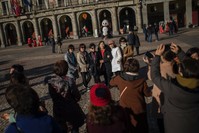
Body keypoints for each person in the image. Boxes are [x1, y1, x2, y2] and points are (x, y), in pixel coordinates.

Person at [151, 44, 199, 133]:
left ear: (181, 72)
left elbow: (155, 76)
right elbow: (191, 67)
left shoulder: (173, 88)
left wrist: (157, 56)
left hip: (174, 127)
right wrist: (180, 53)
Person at [110, 58, 151, 133]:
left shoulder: (119, 78)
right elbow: (148, 94)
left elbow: (111, 82)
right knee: (141, 127)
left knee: (127, 126)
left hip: (125, 107)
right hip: (139, 109)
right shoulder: (142, 81)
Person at [143, 44, 177, 133]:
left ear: (163, 56)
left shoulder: (161, 67)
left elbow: (151, 77)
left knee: (162, 122)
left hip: (161, 97)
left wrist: (150, 64)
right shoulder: (176, 64)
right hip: (175, 100)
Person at [45, 60, 85, 133]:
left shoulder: (50, 81)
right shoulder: (69, 80)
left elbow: (52, 95)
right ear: (66, 69)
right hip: (70, 107)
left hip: (58, 108)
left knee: (61, 128)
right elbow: (76, 95)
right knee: (74, 127)